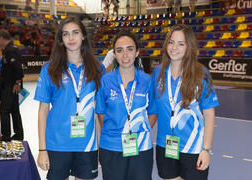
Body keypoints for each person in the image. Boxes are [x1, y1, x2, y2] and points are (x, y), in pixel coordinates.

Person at [34, 17, 105, 180]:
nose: (71, 38)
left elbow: (98, 112)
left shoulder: (98, 69)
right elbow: (43, 110)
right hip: (58, 143)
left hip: (87, 144)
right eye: (65, 34)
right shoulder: (50, 69)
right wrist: (42, 149)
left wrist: (101, 147)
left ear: (83, 36)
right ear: (61, 39)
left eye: (75, 32)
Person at [149, 24, 219, 180]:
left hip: (193, 148)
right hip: (165, 145)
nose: (174, 47)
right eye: (171, 42)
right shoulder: (158, 72)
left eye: (181, 44)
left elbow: (209, 114)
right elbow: (153, 110)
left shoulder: (200, 73)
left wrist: (206, 150)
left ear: (189, 47)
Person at [96, 32, 155, 180]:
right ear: (114, 54)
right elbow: (101, 114)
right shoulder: (105, 81)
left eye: (129, 49)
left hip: (141, 147)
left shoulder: (147, 81)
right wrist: (116, 132)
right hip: (111, 147)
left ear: (137, 53)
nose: (125, 55)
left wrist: (139, 130)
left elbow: (153, 112)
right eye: (120, 50)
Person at [0, 30, 24, 141]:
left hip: (10, 85)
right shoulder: (13, 48)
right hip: (12, 84)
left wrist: (17, 82)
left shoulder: (10, 51)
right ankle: (18, 134)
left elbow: (17, 67)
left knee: (4, 110)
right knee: (14, 110)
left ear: (2, 38)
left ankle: (6, 136)